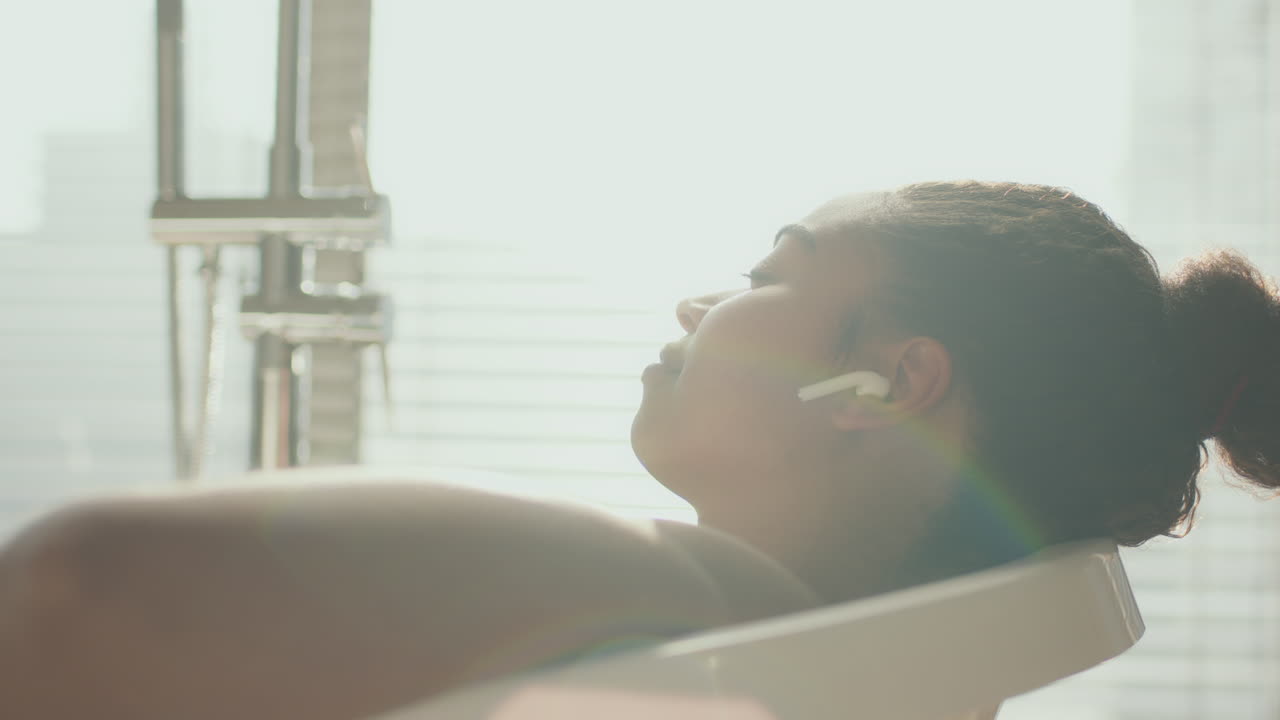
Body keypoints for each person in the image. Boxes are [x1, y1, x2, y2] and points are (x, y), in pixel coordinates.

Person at [2, 180, 1277, 719]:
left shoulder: (700, 607)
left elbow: (85, 589)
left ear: (886, 381)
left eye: (767, 272)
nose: (696, 308)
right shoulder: (821, 673)